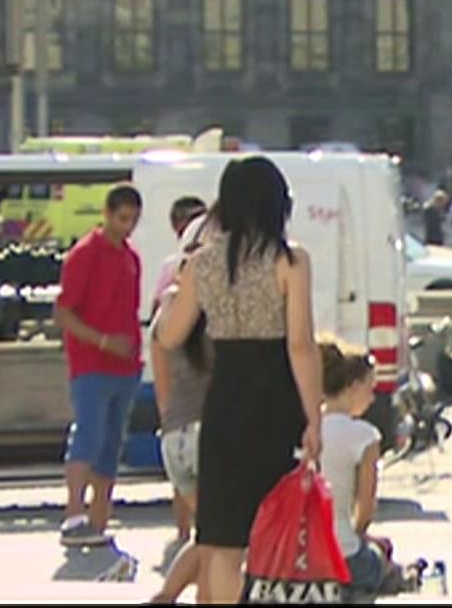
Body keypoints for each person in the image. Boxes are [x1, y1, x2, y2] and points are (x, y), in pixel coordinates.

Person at [156, 157, 324, 605]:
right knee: (274, 526)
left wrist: (167, 304)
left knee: (222, 538)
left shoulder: (202, 263)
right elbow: (300, 345)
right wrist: (314, 418)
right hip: (275, 402)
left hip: (224, 401)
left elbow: (170, 336)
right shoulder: (291, 260)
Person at [52, 184, 145, 548]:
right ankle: (74, 514)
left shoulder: (130, 257)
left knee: (111, 443)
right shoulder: (85, 254)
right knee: (88, 435)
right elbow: (63, 312)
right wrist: (103, 341)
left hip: (125, 367)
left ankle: (99, 518)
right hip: (91, 364)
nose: (127, 227)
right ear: (106, 214)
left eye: (133, 220)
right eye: (122, 219)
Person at [149, 212, 214, 605]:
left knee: (210, 534)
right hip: (209, 432)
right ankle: (169, 597)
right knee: (222, 540)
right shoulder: (214, 315)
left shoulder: (163, 316)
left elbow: (163, 388)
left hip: (174, 437)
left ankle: (167, 597)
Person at [317, 338, 392, 598]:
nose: (372, 398)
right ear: (353, 386)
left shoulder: (303, 427)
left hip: (298, 555)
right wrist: (359, 536)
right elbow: (365, 508)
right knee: (381, 553)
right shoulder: (365, 436)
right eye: (370, 388)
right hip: (341, 555)